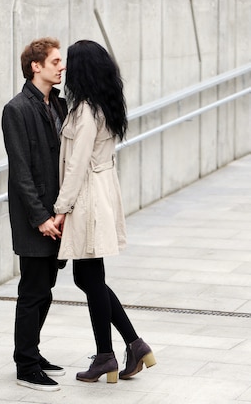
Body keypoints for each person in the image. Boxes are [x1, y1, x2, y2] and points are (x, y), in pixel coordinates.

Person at [53, 40, 156, 383]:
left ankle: (107, 355)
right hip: (101, 192)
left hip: (87, 200)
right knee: (89, 276)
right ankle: (132, 344)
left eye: (69, 63)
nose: (65, 69)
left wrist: (60, 208)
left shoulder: (84, 111)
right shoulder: (105, 105)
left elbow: (77, 164)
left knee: (89, 277)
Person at [1, 37, 67, 392]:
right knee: (33, 290)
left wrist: (61, 212)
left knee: (46, 289)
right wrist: (41, 217)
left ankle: (32, 352)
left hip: (56, 216)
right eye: (55, 61)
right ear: (35, 67)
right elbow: (20, 170)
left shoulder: (58, 104)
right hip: (35, 219)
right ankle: (25, 365)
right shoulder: (17, 109)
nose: (62, 66)